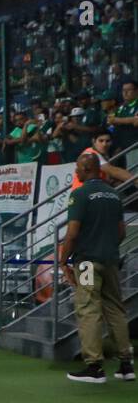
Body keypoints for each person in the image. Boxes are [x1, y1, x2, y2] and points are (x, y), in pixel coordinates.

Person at [60, 153, 133, 383]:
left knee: (89, 309)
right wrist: (108, 248)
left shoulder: (80, 195)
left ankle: (94, 367)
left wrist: (63, 261)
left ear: (86, 168)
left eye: (78, 169)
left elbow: (72, 234)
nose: (76, 173)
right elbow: (121, 231)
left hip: (89, 262)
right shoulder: (113, 194)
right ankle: (126, 364)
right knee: (115, 309)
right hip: (111, 260)